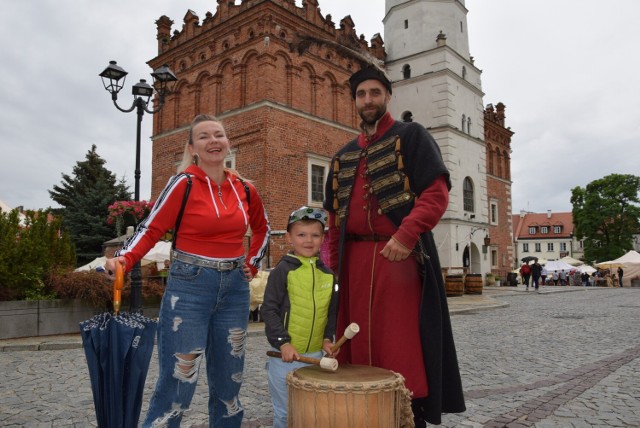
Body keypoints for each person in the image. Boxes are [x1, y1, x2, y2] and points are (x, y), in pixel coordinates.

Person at [105, 114, 271, 427]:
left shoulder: (245, 189)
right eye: (205, 136)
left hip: (234, 289)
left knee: (229, 382)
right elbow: (151, 228)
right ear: (192, 147)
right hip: (190, 287)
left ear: (227, 143)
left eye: (219, 135)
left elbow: (263, 229)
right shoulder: (183, 183)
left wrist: (251, 262)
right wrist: (124, 259)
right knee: (178, 382)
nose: (213, 141)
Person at [323, 65, 465, 426]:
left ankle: (407, 415)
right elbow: (335, 219)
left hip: (398, 257)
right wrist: (336, 267)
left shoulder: (412, 136)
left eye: (374, 92)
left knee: (401, 346)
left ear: (387, 96)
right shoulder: (341, 155)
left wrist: (407, 234)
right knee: (355, 346)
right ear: (354, 100)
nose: (368, 100)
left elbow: (435, 194)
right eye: (361, 94)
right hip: (353, 262)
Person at [261, 206, 338, 428]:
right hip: (284, 357)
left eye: (315, 235)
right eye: (301, 234)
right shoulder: (282, 272)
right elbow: (269, 309)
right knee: (286, 415)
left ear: (322, 238)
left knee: (312, 414)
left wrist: (327, 339)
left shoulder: (328, 275)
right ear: (289, 237)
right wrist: (282, 343)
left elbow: (331, 312)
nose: (308, 240)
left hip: (315, 356)